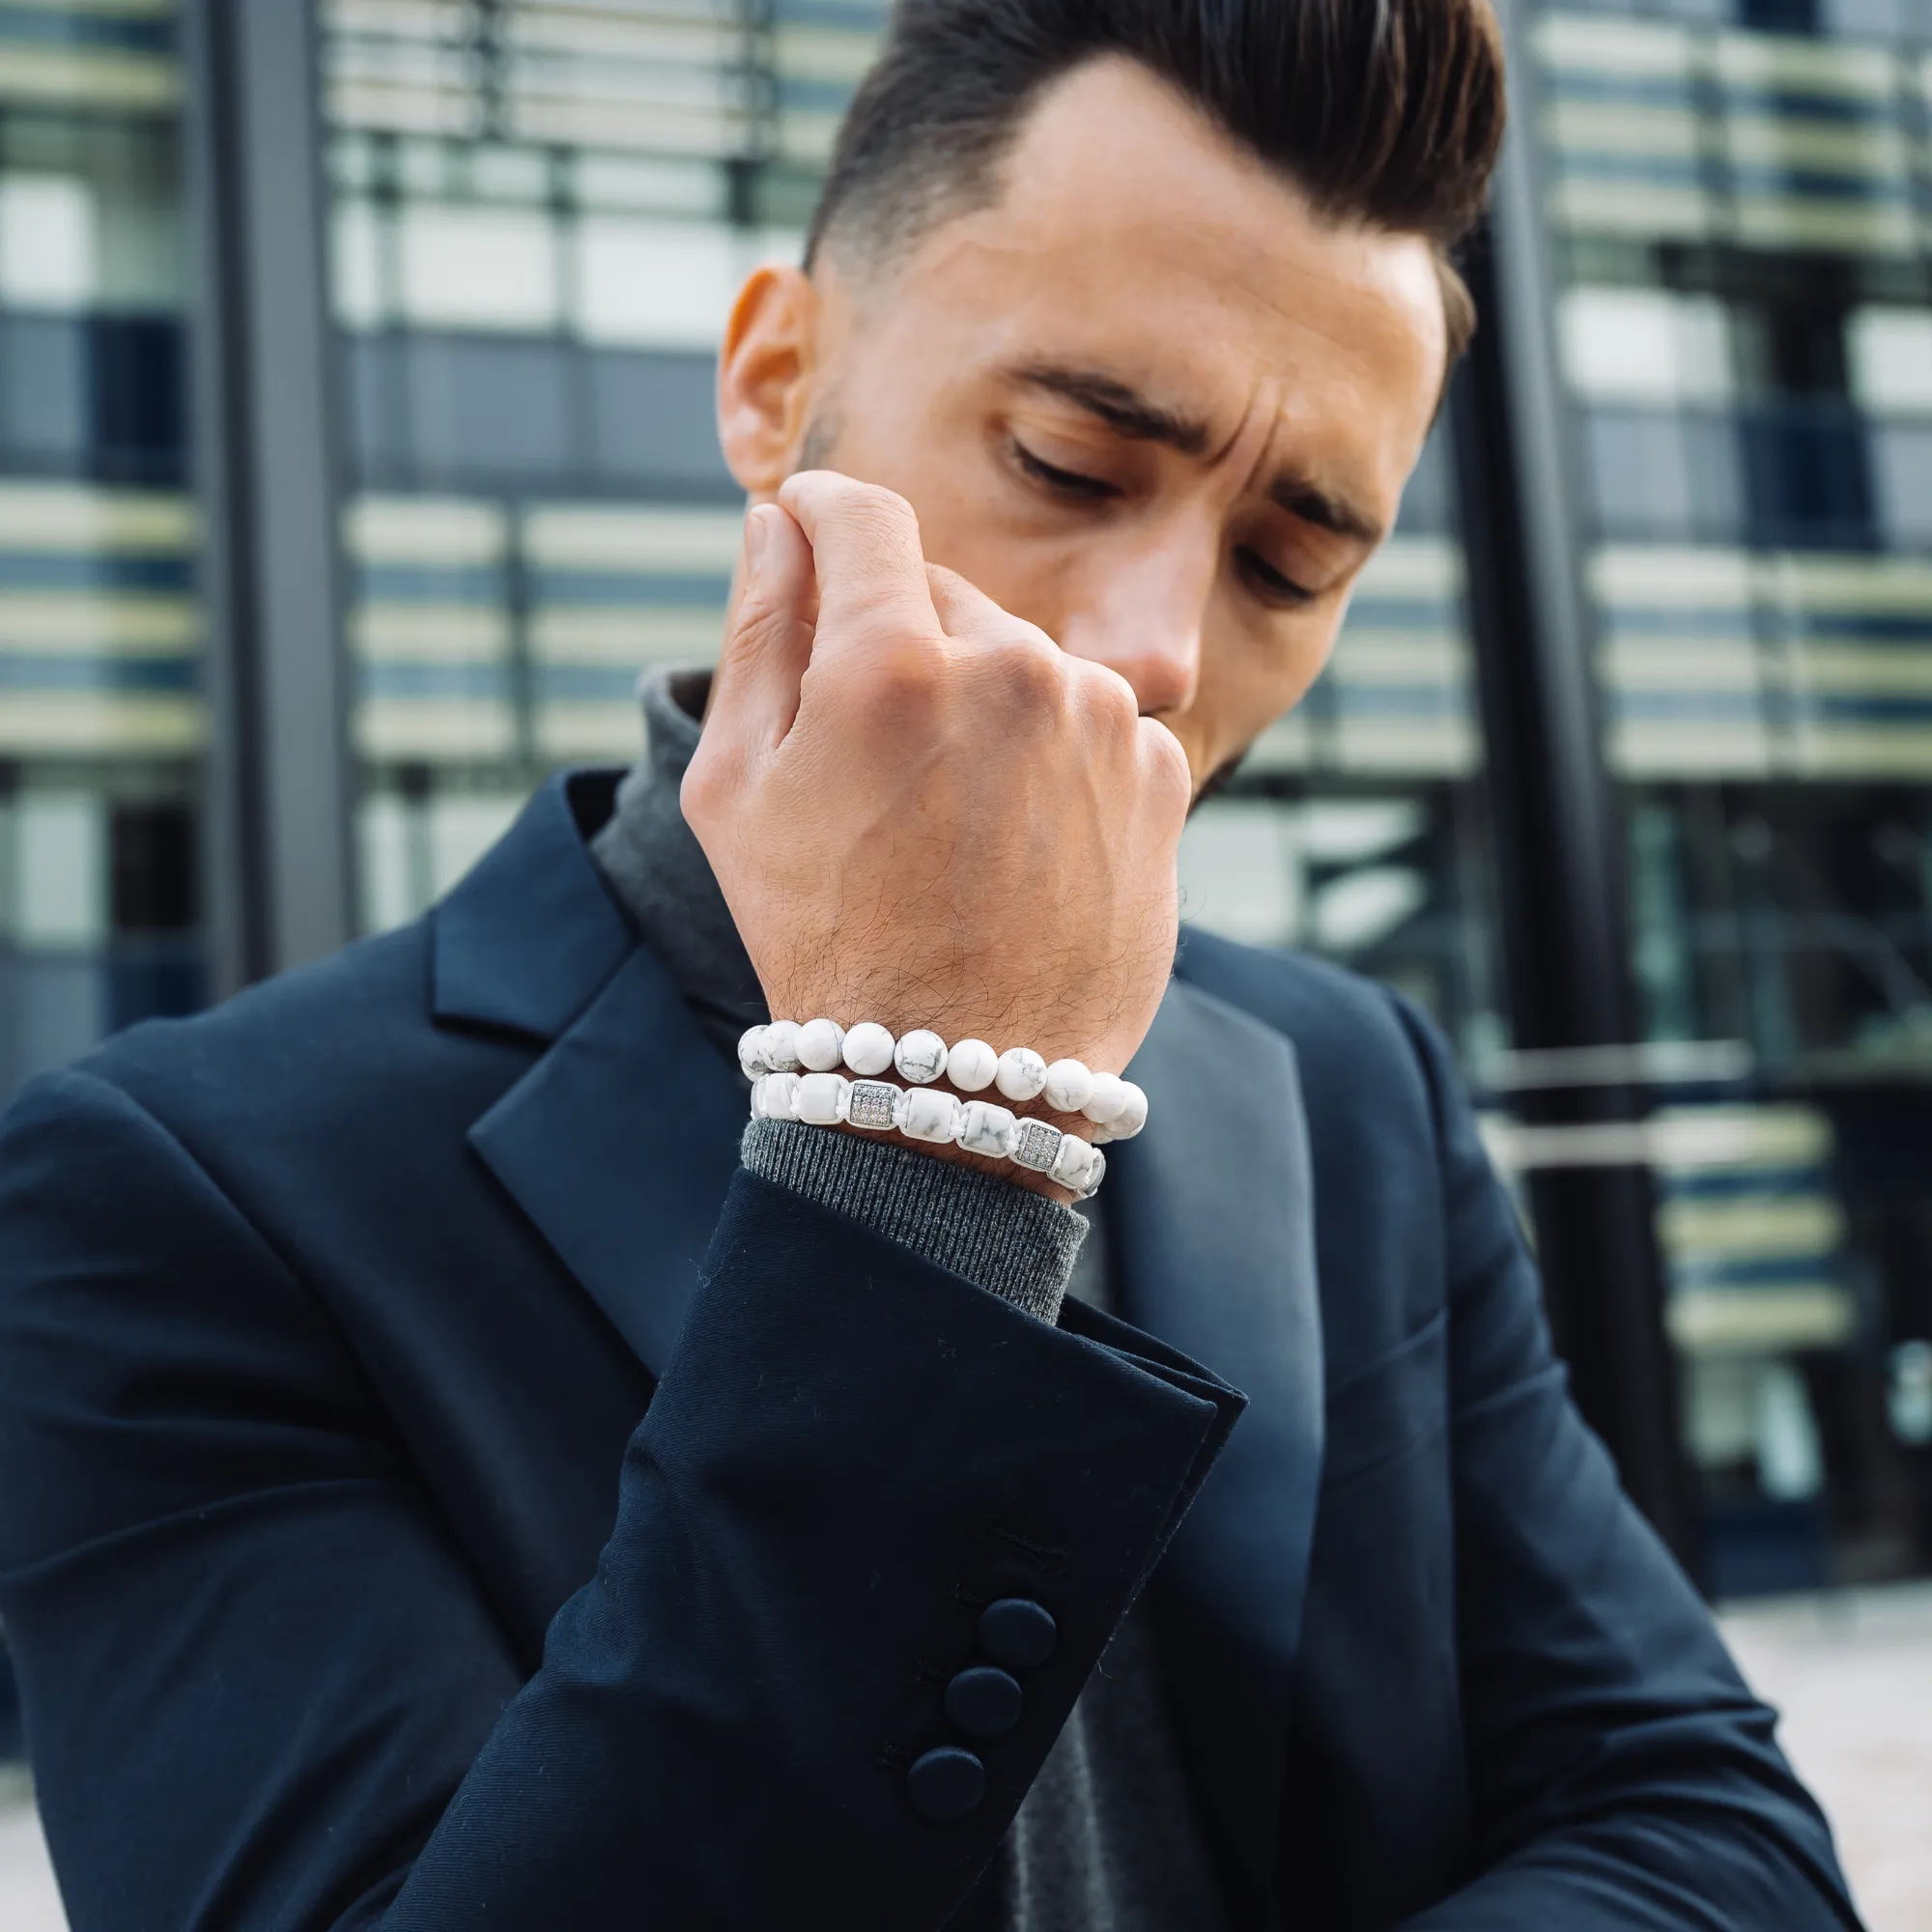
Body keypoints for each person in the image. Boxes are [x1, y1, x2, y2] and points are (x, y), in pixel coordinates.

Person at [0, 2, 1861, 1927]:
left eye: (1290, 564)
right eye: (1069, 460)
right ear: (771, 381)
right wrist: (926, 1143)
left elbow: (1713, 1831)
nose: (1156, 646)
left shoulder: (1342, 1084)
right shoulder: (177, 1191)